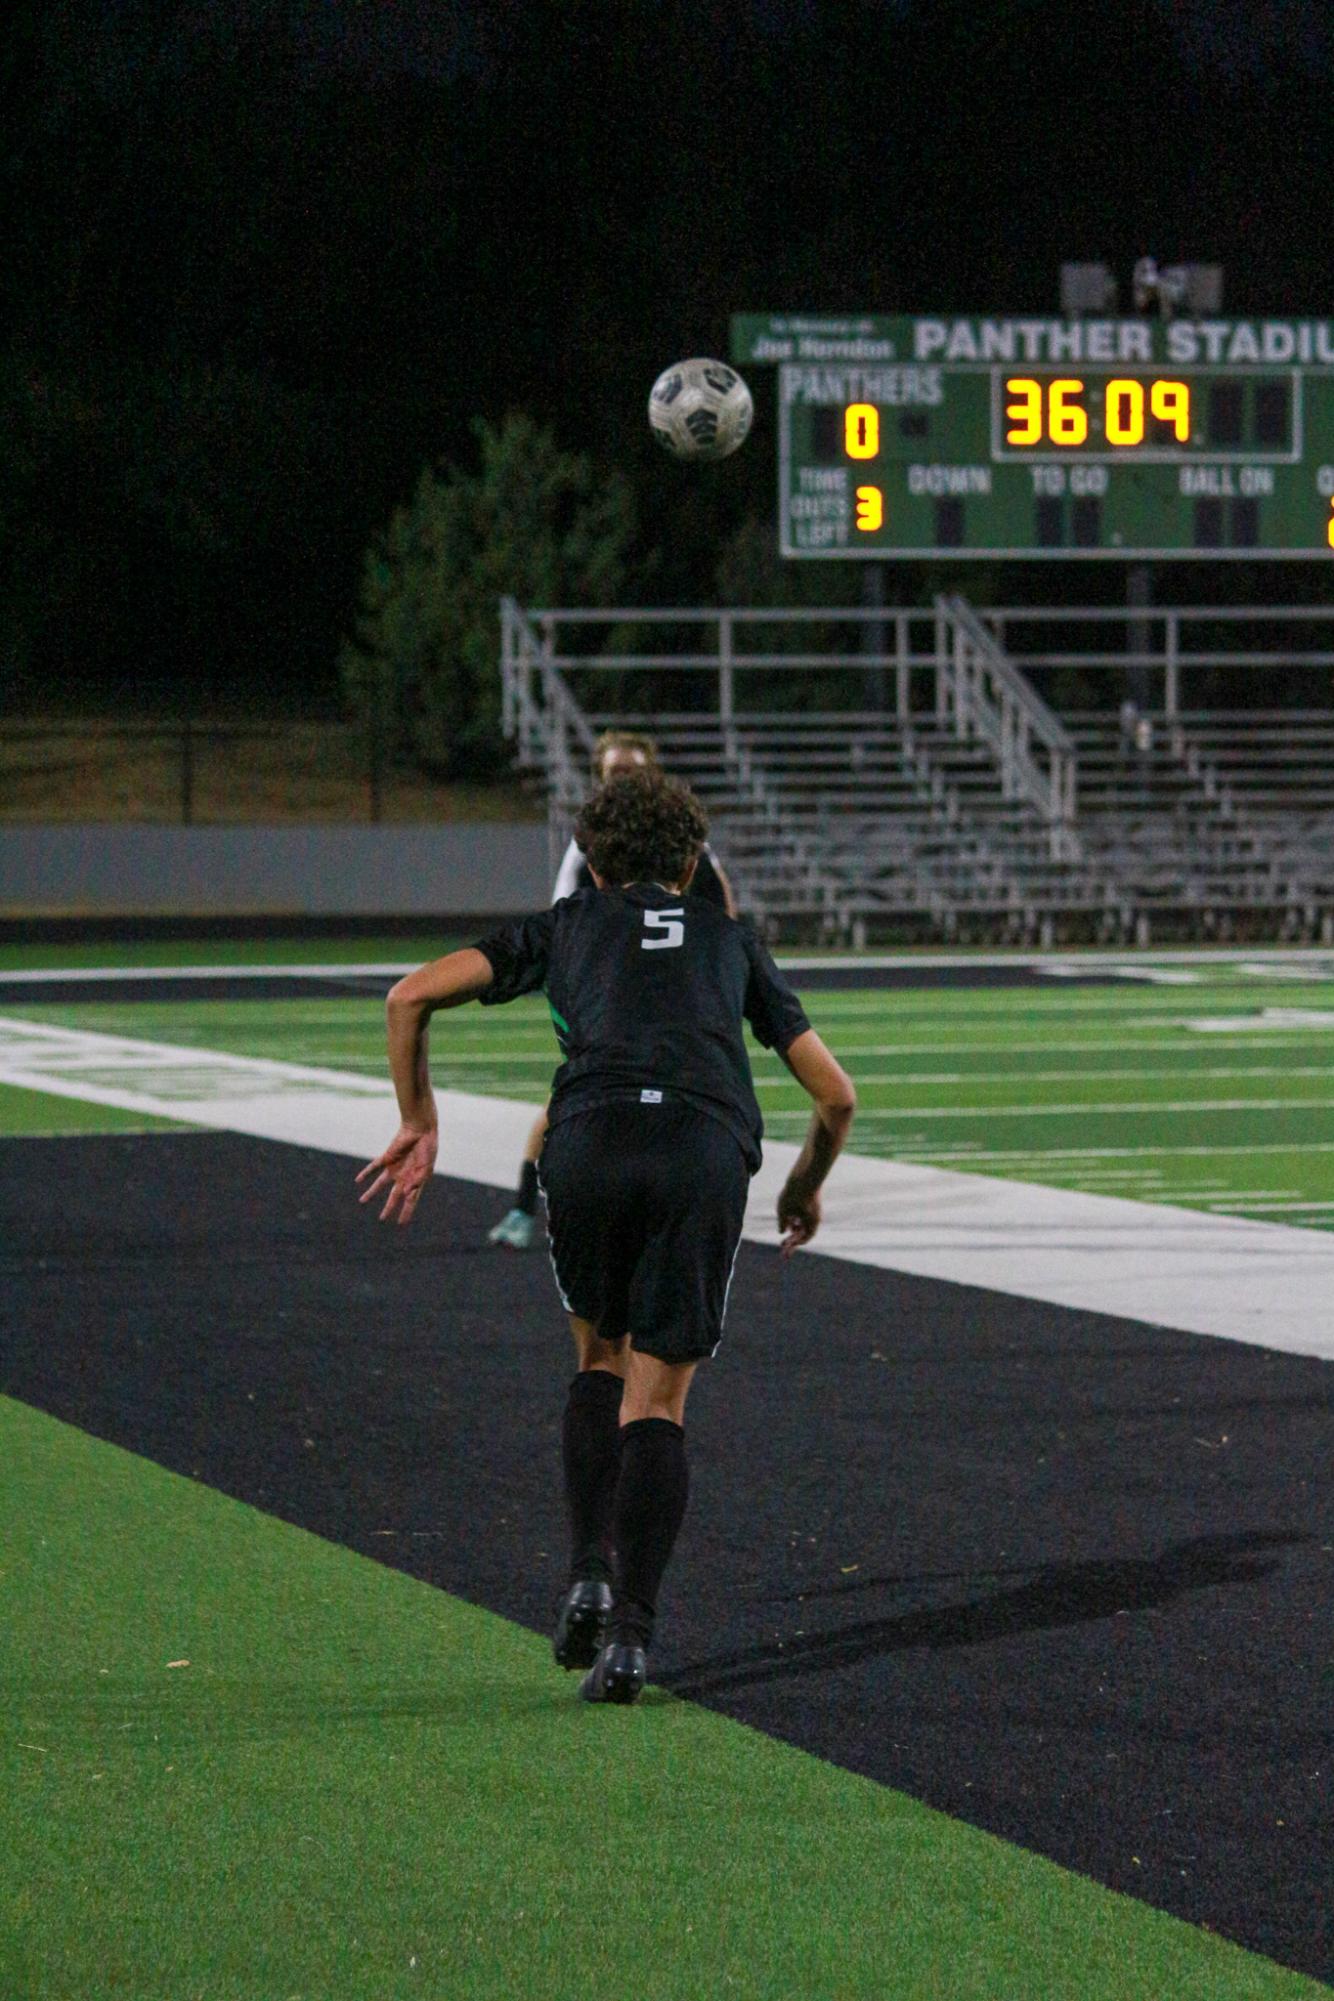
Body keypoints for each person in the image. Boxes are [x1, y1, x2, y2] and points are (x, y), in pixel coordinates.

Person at [357, 769, 855, 1704]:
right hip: (701, 1148)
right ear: (693, 859)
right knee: (658, 1404)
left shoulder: (569, 925)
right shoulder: (732, 939)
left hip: (588, 1141)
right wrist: (801, 1185)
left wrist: (420, 1116)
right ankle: (630, 1640)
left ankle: (586, 1567)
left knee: (599, 1359)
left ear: (591, 862)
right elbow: (837, 1094)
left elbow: (407, 997)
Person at [487, 728, 736, 1249]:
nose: (623, 780)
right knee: (575, 1093)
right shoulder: (590, 844)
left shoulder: (680, 837)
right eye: (614, 772)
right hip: (610, 989)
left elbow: (720, 905)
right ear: (599, 778)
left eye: (632, 772)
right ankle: (523, 1208)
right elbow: (563, 922)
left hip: (670, 991)